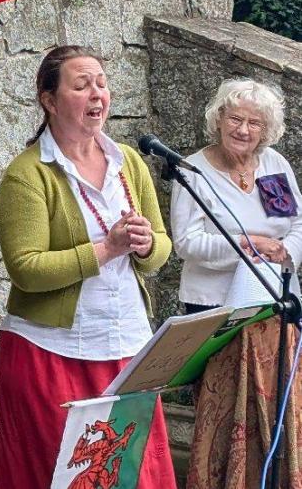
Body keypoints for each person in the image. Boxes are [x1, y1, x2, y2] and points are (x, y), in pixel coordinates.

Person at [0, 45, 176, 488]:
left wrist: (146, 245)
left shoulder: (128, 162)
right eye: (81, 85)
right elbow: (25, 268)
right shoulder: (27, 174)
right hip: (52, 353)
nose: (97, 94)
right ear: (50, 101)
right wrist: (107, 249)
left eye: (101, 83)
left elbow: (161, 247)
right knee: (67, 477)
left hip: (127, 346)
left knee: (134, 477)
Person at [169, 79, 302, 488]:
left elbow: (298, 223)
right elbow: (186, 243)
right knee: (224, 410)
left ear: (267, 129)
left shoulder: (274, 164)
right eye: (235, 118)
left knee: (278, 408)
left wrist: (284, 251)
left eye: (254, 123)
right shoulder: (193, 171)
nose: (243, 130)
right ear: (219, 118)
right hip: (218, 308)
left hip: (274, 304)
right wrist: (245, 245)